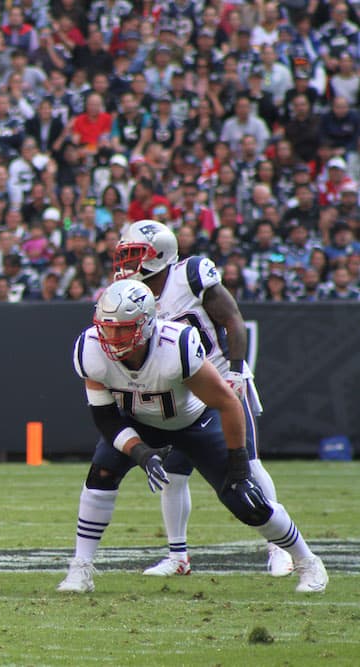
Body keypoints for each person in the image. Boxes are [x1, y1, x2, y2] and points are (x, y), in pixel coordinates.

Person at [57, 279, 328, 594]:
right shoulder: (90, 349)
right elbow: (105, 418)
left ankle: (308, 561)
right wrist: (141, 453)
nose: (111, 337)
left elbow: (228, 403)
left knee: (245, 501)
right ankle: (80, 568)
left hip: (195, 421)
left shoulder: (176, 347)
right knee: (102, 470)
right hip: (139, 421)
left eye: (122, 329)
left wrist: (239, 465)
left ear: (145, 325)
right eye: (106, 327)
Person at [112, 220, 293, 578]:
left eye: (135, 255)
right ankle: (178, 557)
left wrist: (237, 371)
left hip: (219, 380)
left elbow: (232, 320)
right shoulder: (133, 293)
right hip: (181, 393)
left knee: (249, 464)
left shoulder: (191, 275)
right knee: (174, 475)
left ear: (159, 255)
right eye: (125, 255)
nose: (127, 264)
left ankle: (279, 547)